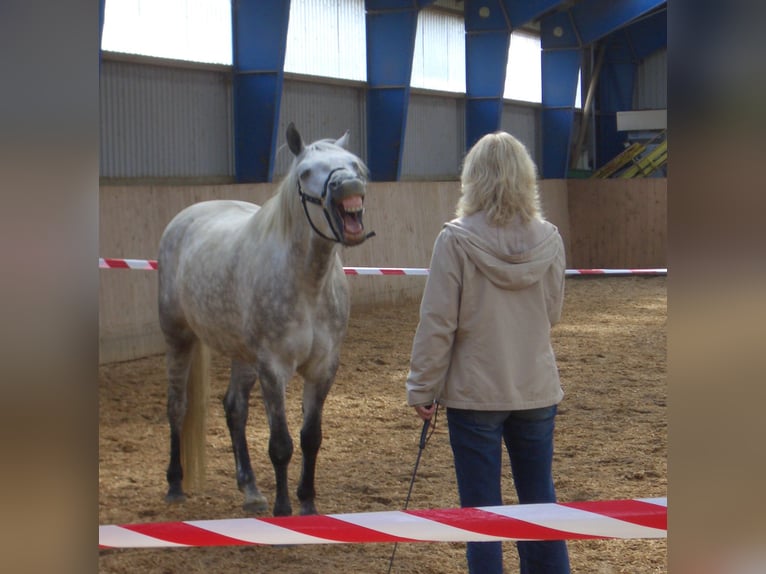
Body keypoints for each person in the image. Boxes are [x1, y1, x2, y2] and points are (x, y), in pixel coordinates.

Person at [405, 131, 570, 574]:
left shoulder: (455, 240)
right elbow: (551, 313)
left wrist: (422, 387)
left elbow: (438, 322)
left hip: (474, 394)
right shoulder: (551, 238)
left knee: (481, 512)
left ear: (472, 179)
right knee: (541, 503)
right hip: (535, 389)